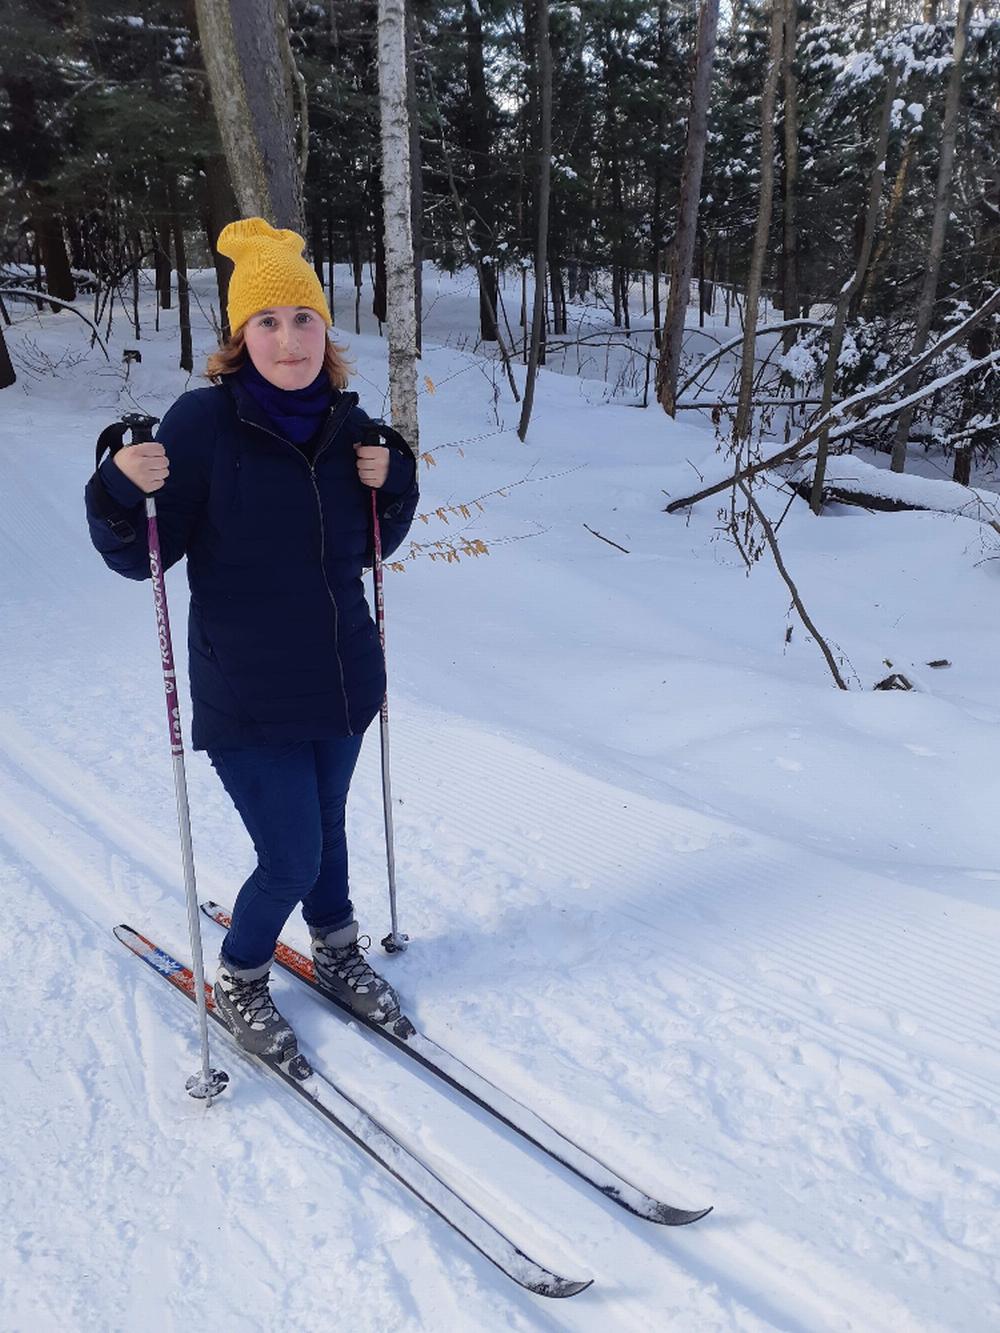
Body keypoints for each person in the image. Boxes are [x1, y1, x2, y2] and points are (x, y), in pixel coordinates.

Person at [86, 217, 419, 1062]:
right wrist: (118, 491)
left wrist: (398, 470)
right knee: (292, 855)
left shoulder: (353, 429)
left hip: (344, 677)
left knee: (330, 825)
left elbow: (376, 542)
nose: (288, 337)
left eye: (302, 318)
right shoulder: (202, 424)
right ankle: (241, 972)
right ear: (240, 337)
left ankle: (337, 948)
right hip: (247, 690)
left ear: (325, 331)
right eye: (267, 322)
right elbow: (142, 557)